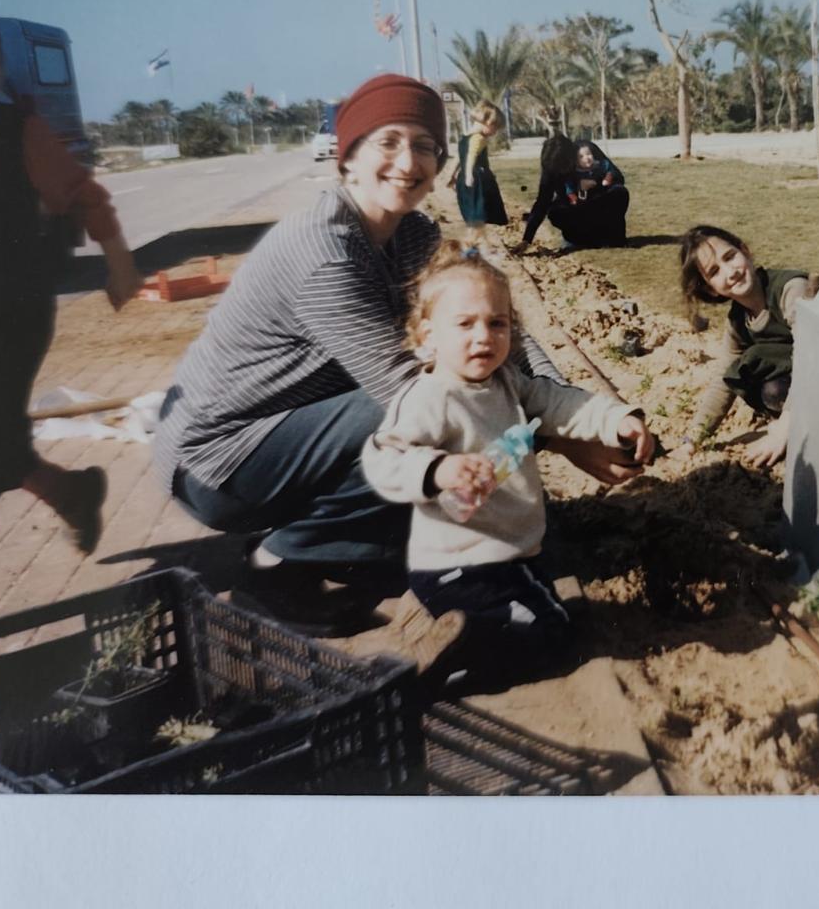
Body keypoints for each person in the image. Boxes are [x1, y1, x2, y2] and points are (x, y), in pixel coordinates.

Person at [152, 74, 644, 634]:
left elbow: (499, 324)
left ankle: (355, 542)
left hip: (288, 433)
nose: (407, 162)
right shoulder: (322, 250)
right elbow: (406, 386)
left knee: (454, 388)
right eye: (387, 142)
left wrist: (577, 413)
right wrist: (555, 435)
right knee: (421, 407)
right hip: (219, 463)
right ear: (349, 158)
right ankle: (275, 567)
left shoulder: (411, 233)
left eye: (424, 146)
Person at [361, 242, 655, 687]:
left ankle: (452, 624)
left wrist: (616, 420)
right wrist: (437, 470)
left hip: (505, 553)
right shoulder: (431, 397)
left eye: (497, 323)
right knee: (554, 634)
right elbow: (385, 455)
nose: (484, 337)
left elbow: (559, 402)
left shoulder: (506, 382)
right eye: (464, 324)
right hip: (460, 563)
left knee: (547, 606)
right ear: (427, 337)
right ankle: (457, 662)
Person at [0, 31, 143, 566]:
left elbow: (82, 193)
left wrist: (120, 263)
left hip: (7, 312)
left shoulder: (15, 130)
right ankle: (71, 494)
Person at [671, 224, 807, 468]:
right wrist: (692, 439)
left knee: (773, 386)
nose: (730, 272)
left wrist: (786, 427)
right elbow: (723, 379)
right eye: (714, 271)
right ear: (710, 288)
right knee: (759, 381)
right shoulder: (738, 320)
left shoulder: (791, 290)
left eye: (730, 257)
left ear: (745, 251)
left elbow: (813, 358)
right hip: (794, 390)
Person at [514, 134, 630, 253]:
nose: (561, 172)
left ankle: (613, 237)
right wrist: (526, 240)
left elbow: (618, 177)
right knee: (555, 212)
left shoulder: (586, 150)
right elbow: (542, 202)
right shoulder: (551, 166)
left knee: (619, 192)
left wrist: (594, 183)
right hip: (574, 207)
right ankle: (579, 240)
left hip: (598, 200)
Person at [450, 101, 507, 228]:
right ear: (488, 123)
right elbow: (471, 155)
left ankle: (476, 238)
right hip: (477, 179)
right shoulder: (479, 138)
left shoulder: (465, 136)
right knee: (479, 212)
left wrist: (452, 175)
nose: (495, 132)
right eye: (495, 128)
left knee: (471, 213)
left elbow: (458, 158)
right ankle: (477, 240)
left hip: (463, 177)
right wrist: (470, 175)